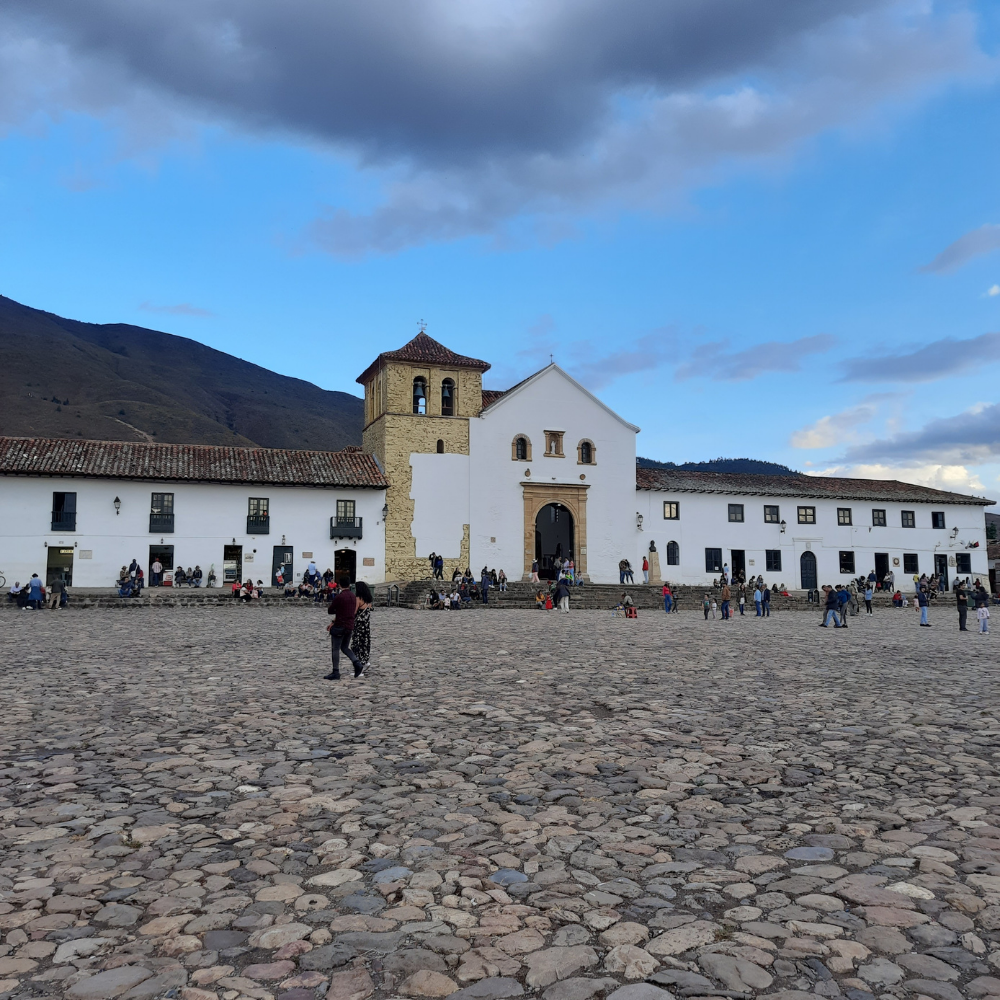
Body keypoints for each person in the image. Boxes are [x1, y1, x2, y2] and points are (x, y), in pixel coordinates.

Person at [326, 577, 365, 680]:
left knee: (335, 648)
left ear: (339, 585)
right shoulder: (353, 596)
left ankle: (336, 671)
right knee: (345, 647)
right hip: (350, 625)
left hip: (340, 625)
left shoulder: (340, 597)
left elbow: (330, 610)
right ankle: (357, 663)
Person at [351, 581, 374, 669]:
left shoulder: (358, 599)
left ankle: (359, 665)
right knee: (365, 644)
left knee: (356, 645)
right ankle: (365, 660)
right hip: (366, 627)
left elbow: (354, 612)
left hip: (359, 626)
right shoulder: (368, 600)